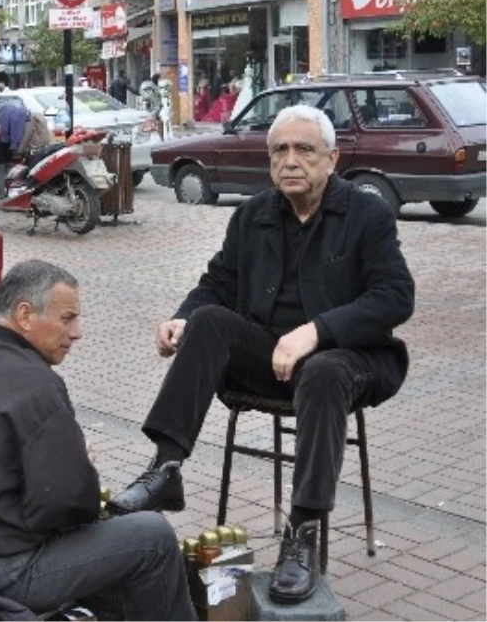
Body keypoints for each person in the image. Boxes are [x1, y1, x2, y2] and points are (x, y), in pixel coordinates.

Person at [107, 105, 415, 604]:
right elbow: (218, 284)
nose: (290, 161)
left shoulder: (366, 214)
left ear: (331, 159)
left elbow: (395, 297)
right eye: (279, 150)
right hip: (268, 360)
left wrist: (316, 331)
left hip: (348, 362)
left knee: (322, 371)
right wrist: (182, 317)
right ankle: (165, 469)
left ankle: (302, 533)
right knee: (207, 321)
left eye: (304, 150)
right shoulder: (253, 215)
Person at [0, 260, 193, 619]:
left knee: (122, 535)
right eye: (67, 318)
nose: (77, 332)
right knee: (154, 536)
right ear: (25, 315)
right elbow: (71, 507)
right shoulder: (35, 382)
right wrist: (80, 464)